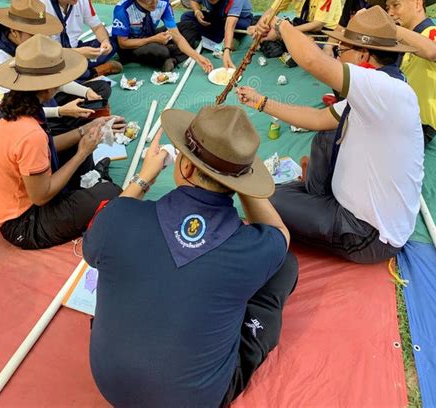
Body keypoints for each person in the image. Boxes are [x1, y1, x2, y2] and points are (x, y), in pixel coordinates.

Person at [83, 104, 298, 408]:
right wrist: (241, 180)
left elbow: (101, 236)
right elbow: (280, 235)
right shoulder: (254, 247)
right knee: (284, 266)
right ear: (240, 182)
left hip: (110, 384)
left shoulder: (117, 217)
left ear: (184, 166)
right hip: (195, 399)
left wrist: (144, 177)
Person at [237, 6, 424, 264]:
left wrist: (281, 25)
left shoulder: (385, 91)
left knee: (261, 200)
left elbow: (313, 61)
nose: (337, 56)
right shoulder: (378, 92)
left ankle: (277, 237)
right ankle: (313, 196)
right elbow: (317, 119)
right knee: (326, 135)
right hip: (344, 202)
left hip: (366, 232)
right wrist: (261, 102)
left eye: (341, 51)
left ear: (363, 55)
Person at [0, 34, 123, 250]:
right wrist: (81, 154)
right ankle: (89, 187)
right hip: (24, 223)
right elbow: (41, 196)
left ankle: (84, 186)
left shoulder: (10, 106)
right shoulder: (29, 133)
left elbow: (43, 149)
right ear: (48, 89)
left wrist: (84, 130)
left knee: (80, 149)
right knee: (112, 193)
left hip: (27, 198)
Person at [0, 0, 110, 131]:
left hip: (43, 98)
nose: (39, 38)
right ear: (14, 32)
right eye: (33, 34)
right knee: (70, 133)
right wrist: (59, 111)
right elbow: (11, 109)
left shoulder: (33, 46)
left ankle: (72, 123)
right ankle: (70, 126)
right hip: (20, 116)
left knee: (101, 89)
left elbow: (54, 79)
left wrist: (85, 91)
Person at [370, 0, 436, 145]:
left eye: (396, 5)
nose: (390, 13)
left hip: (416, 126)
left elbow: (432, 51)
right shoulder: (403, 39)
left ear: (417, 3)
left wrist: (389, 27)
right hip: (400, 118)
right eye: (387, 8)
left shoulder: (434, 32)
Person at [37, 0, 123, 80]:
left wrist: (105, 42)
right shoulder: (41, 5)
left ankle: (81, 71)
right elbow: (42, 51)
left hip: (77, 47)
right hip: (54, 57)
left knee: (113, 42)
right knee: (54, 74)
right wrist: (77, 54)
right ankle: (94, 72)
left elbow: (97, 26)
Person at [112, 0, 212, 73]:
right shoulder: (122, 9)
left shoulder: (163, 3)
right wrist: (153, 39)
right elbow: (123, 43)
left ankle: (173, 59)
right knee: (161, 51)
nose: (154, 3)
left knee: (190, 26)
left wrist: (197, 57)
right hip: (130, 46)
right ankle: (168, 53)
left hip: (149, 34)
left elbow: (176, 35)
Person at [178, 0, 253, 70]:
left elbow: (230, 25)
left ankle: (223, 41)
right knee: (186, 17)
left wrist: (227, 50)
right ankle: (223, 39)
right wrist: (197, 12)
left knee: (228, 25)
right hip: (216, 17)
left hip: (238, 20)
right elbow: (194, 1)